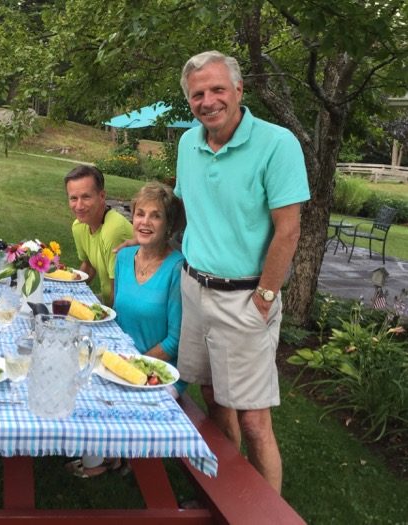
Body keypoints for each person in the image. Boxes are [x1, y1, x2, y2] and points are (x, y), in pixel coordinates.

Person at [174, 50, 310, 493]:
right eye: (198, 94)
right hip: (194, 291)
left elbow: (288, 232)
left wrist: (266, 297)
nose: (208, 100)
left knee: (254, 420)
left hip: (246, 298)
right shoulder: (187, 145)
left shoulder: (277, 143)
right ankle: (230, 493)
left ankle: (265, 512)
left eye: (217, 89)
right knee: (213, 399)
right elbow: (193, 213)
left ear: (238, 90)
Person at [66, 181, 188, 478]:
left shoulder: (177, 268)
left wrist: (131, 363)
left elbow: (175, 340)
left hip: (157, 368)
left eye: (155, 216)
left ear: (169, 224)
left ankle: (112, 459)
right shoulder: (122, 258)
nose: (144, 222)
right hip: (119, 358)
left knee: (106, 396)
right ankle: (101, 453)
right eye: (140, 214)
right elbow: (117, 314)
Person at [64, 165, 132, 306]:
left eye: (86, 197)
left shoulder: (113, 230)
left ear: (102, 196)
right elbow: (89, 265)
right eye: (73, 198)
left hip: (125, 308)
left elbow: (117, 289)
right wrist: (68, 292)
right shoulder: (79, 226)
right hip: (108, 299)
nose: (79, 205)